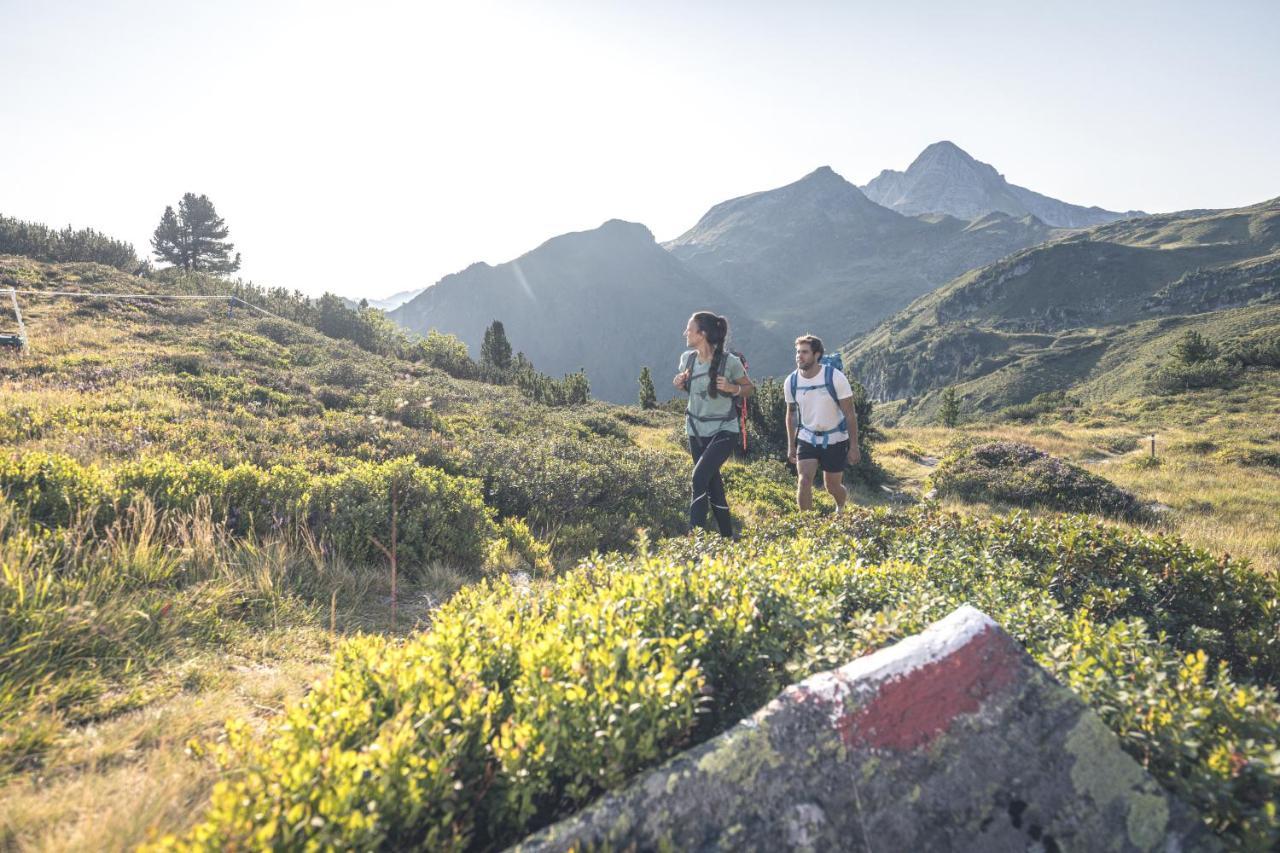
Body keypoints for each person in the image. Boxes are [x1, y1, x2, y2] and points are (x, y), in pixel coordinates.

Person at [673, 311, 752, 537]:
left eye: (689, 329)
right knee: (712, 482)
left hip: (724, 431)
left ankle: (695, 539)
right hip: (695, 430)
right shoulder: (686, 359)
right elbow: (688, 387)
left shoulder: (730, 363)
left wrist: (732, 388)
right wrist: (679, 382)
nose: (685, 333)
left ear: (703, 333)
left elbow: (749, 389)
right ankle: (728, 537)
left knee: (699, 477)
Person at [785, 334, 861, 512]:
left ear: (817, 354)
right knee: (803, 481)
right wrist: (791, 445)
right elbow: (790, 414)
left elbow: (850, 414)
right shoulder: (791, 381)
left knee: (832, 487)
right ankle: (807, 526)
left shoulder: (835, 377)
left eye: (804, 352)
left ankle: (841, 506)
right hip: (807, 437)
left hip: (835, 439)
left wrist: (854, 446)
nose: (799, 356)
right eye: (797, 352)